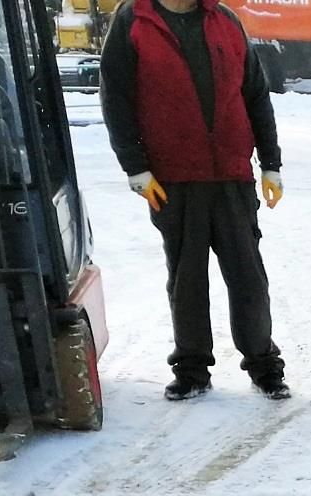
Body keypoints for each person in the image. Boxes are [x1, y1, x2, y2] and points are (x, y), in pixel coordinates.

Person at [100, 0, 289, 401]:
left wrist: (270, 162)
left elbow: (255, 94)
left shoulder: (224, 21)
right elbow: (115, 97)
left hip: (231, 175)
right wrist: (136, 167)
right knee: (186, 278)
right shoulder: (134, 20)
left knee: (248, 276)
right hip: (172, 178)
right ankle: (192, 368)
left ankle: (264, 364)